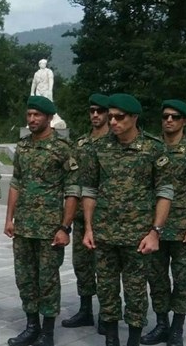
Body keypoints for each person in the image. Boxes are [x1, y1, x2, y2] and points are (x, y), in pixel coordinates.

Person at [80, 93, 174, 346]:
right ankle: (111, 340)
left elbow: (165, 192)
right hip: (104, 234)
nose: (112, 122)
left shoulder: (154, 149)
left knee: (135, 293)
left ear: (134, 118)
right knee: (107, 291)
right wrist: (88, 228)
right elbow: (89, 190)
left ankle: (133, 341)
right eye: (110, 117)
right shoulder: (98, 148)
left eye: (119, 117)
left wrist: (155, 232)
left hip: (138, 237)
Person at [5, 96, 79, 346]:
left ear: (49, 117)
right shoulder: (23, 147)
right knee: (24, 278)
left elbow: (72, 190)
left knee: (47, 281)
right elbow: (16, 182)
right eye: (29, 114)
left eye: (37, 115)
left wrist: (64, 227)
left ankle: (48, 332)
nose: (32, 119)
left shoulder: (62, 148)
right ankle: (31, 326)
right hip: (24, 227)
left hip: (50, 228)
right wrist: (9, 218)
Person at [140, 100, 186, 346]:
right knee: (156, 279)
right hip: (154, 229)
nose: (169, 120)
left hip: (183, 229)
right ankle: (162, 325)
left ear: (185, 121)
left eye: (175, 117)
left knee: (182, 281)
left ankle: (177, 328)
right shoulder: (150, 146)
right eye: (165, 116)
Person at [62, 93, 110, 333]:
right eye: (92, 111)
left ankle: (107, 314)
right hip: (82, 217)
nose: (95, 115)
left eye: (100, 111)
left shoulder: (115, 142)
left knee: (106, 268)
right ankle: (85, 310)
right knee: (81, 264)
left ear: (109, 113)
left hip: (109, 217)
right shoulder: (80, 144)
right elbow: (72, 179)